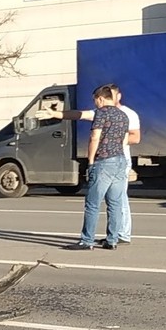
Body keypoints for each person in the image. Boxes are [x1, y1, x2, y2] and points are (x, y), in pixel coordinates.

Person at [61, 83, 141, 245]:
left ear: (101, 99)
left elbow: (94, 137)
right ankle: (112, 240)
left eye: (95, 100)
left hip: (104, 161)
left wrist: (90, 161)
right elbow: (125, 139)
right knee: (115, 203)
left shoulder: (101, 114)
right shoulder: (123, 115)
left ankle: (87, 240)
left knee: (92, 204)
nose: (95, 104)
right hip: (120, 160)